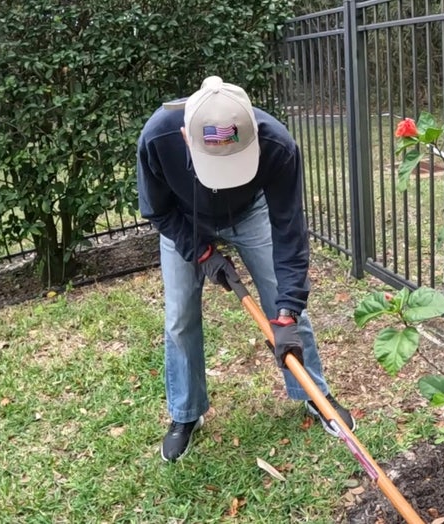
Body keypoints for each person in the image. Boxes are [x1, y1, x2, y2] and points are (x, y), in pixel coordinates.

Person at [135, 76, 356, 462]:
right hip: (185, 216)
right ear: (188, 138)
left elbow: (289, 230)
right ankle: (186, 413)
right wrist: (201, 253)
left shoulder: (277, 144)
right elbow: (157, 210)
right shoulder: (157, 138)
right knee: (179, 316)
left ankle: (314, 394)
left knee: (283, 300)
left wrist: (285, 314)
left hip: (251, 210)